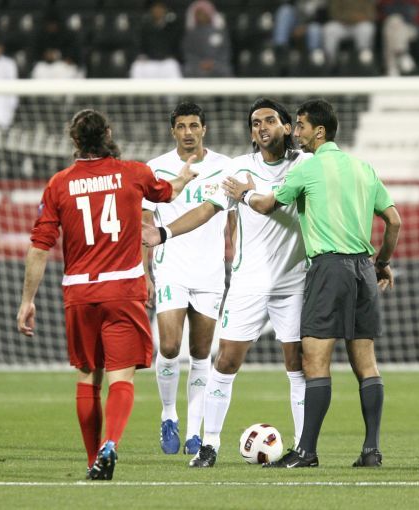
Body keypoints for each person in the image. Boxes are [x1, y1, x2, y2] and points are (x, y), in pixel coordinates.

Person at [16, 109, 198, 480]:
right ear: (109, 134)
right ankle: (110, 445)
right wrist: (182, 178)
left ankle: (91, 461)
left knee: (88, 379)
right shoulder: (134, 173)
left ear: (75, 141)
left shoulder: (59, 184)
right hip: (123, 289)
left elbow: (39, 246)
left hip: (80, 293)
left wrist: (27, 301)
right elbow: (168, 192)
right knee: (121, 379)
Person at [223, 98, 401, 468]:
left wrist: (242, 193)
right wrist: (382, 263)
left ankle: (306, 451)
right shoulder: (363, 167)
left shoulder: (308, 168)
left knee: (315, 362)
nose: (297, 132)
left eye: (301, 125)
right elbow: (394, 221)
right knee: (366, 364)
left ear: (319, 131)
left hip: (328, 268)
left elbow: (266, 205)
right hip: (363, 269)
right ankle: (371, 451)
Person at [143, 98, 310, 469]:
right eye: (255, 123)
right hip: (248, 283)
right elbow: (208, 209)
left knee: (297, 365)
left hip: (293, 283)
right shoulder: (238, 167)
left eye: (269, 120)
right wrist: (165, 233)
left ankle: (303, 449)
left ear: (286, 127)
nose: (261, 127)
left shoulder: (305, 165)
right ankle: (209, 444)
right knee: (225, 361)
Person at [142, 101, 232, 456]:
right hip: (171, 268)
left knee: (200, 352)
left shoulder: (224, 166)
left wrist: (236, 260)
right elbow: (145, 224)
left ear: (204, 129)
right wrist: (144, 272)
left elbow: (232, 219)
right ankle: (168, 414)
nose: (188, 132)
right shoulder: (156, 168)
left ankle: (195, 431)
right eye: (181, 126)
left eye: (194, 125)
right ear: (173, 131)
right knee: (168, 346)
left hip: (210, 271)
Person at [130, 0, 183, 80]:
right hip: (149, 63)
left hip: (166, 63)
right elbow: (140, 46)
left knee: (173, 65)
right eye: (155, 8)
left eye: (160, 8)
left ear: (165, 10)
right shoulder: (145, 28)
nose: (158, 11)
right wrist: (142, 56)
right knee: (137, 66)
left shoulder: (172, 28)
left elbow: (175, 47)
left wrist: (172, 56)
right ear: (151, 10)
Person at [181, 1, 233, 78]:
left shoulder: (219, 31)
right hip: (196, 65)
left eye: (203, 13)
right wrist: (200, 63)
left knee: (225, 70)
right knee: (188, 70)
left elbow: (225, 51)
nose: (201, 16)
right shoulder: (191, 33)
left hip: (217, 64)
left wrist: (213, 63)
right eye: (199, 13)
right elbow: (188, 53)